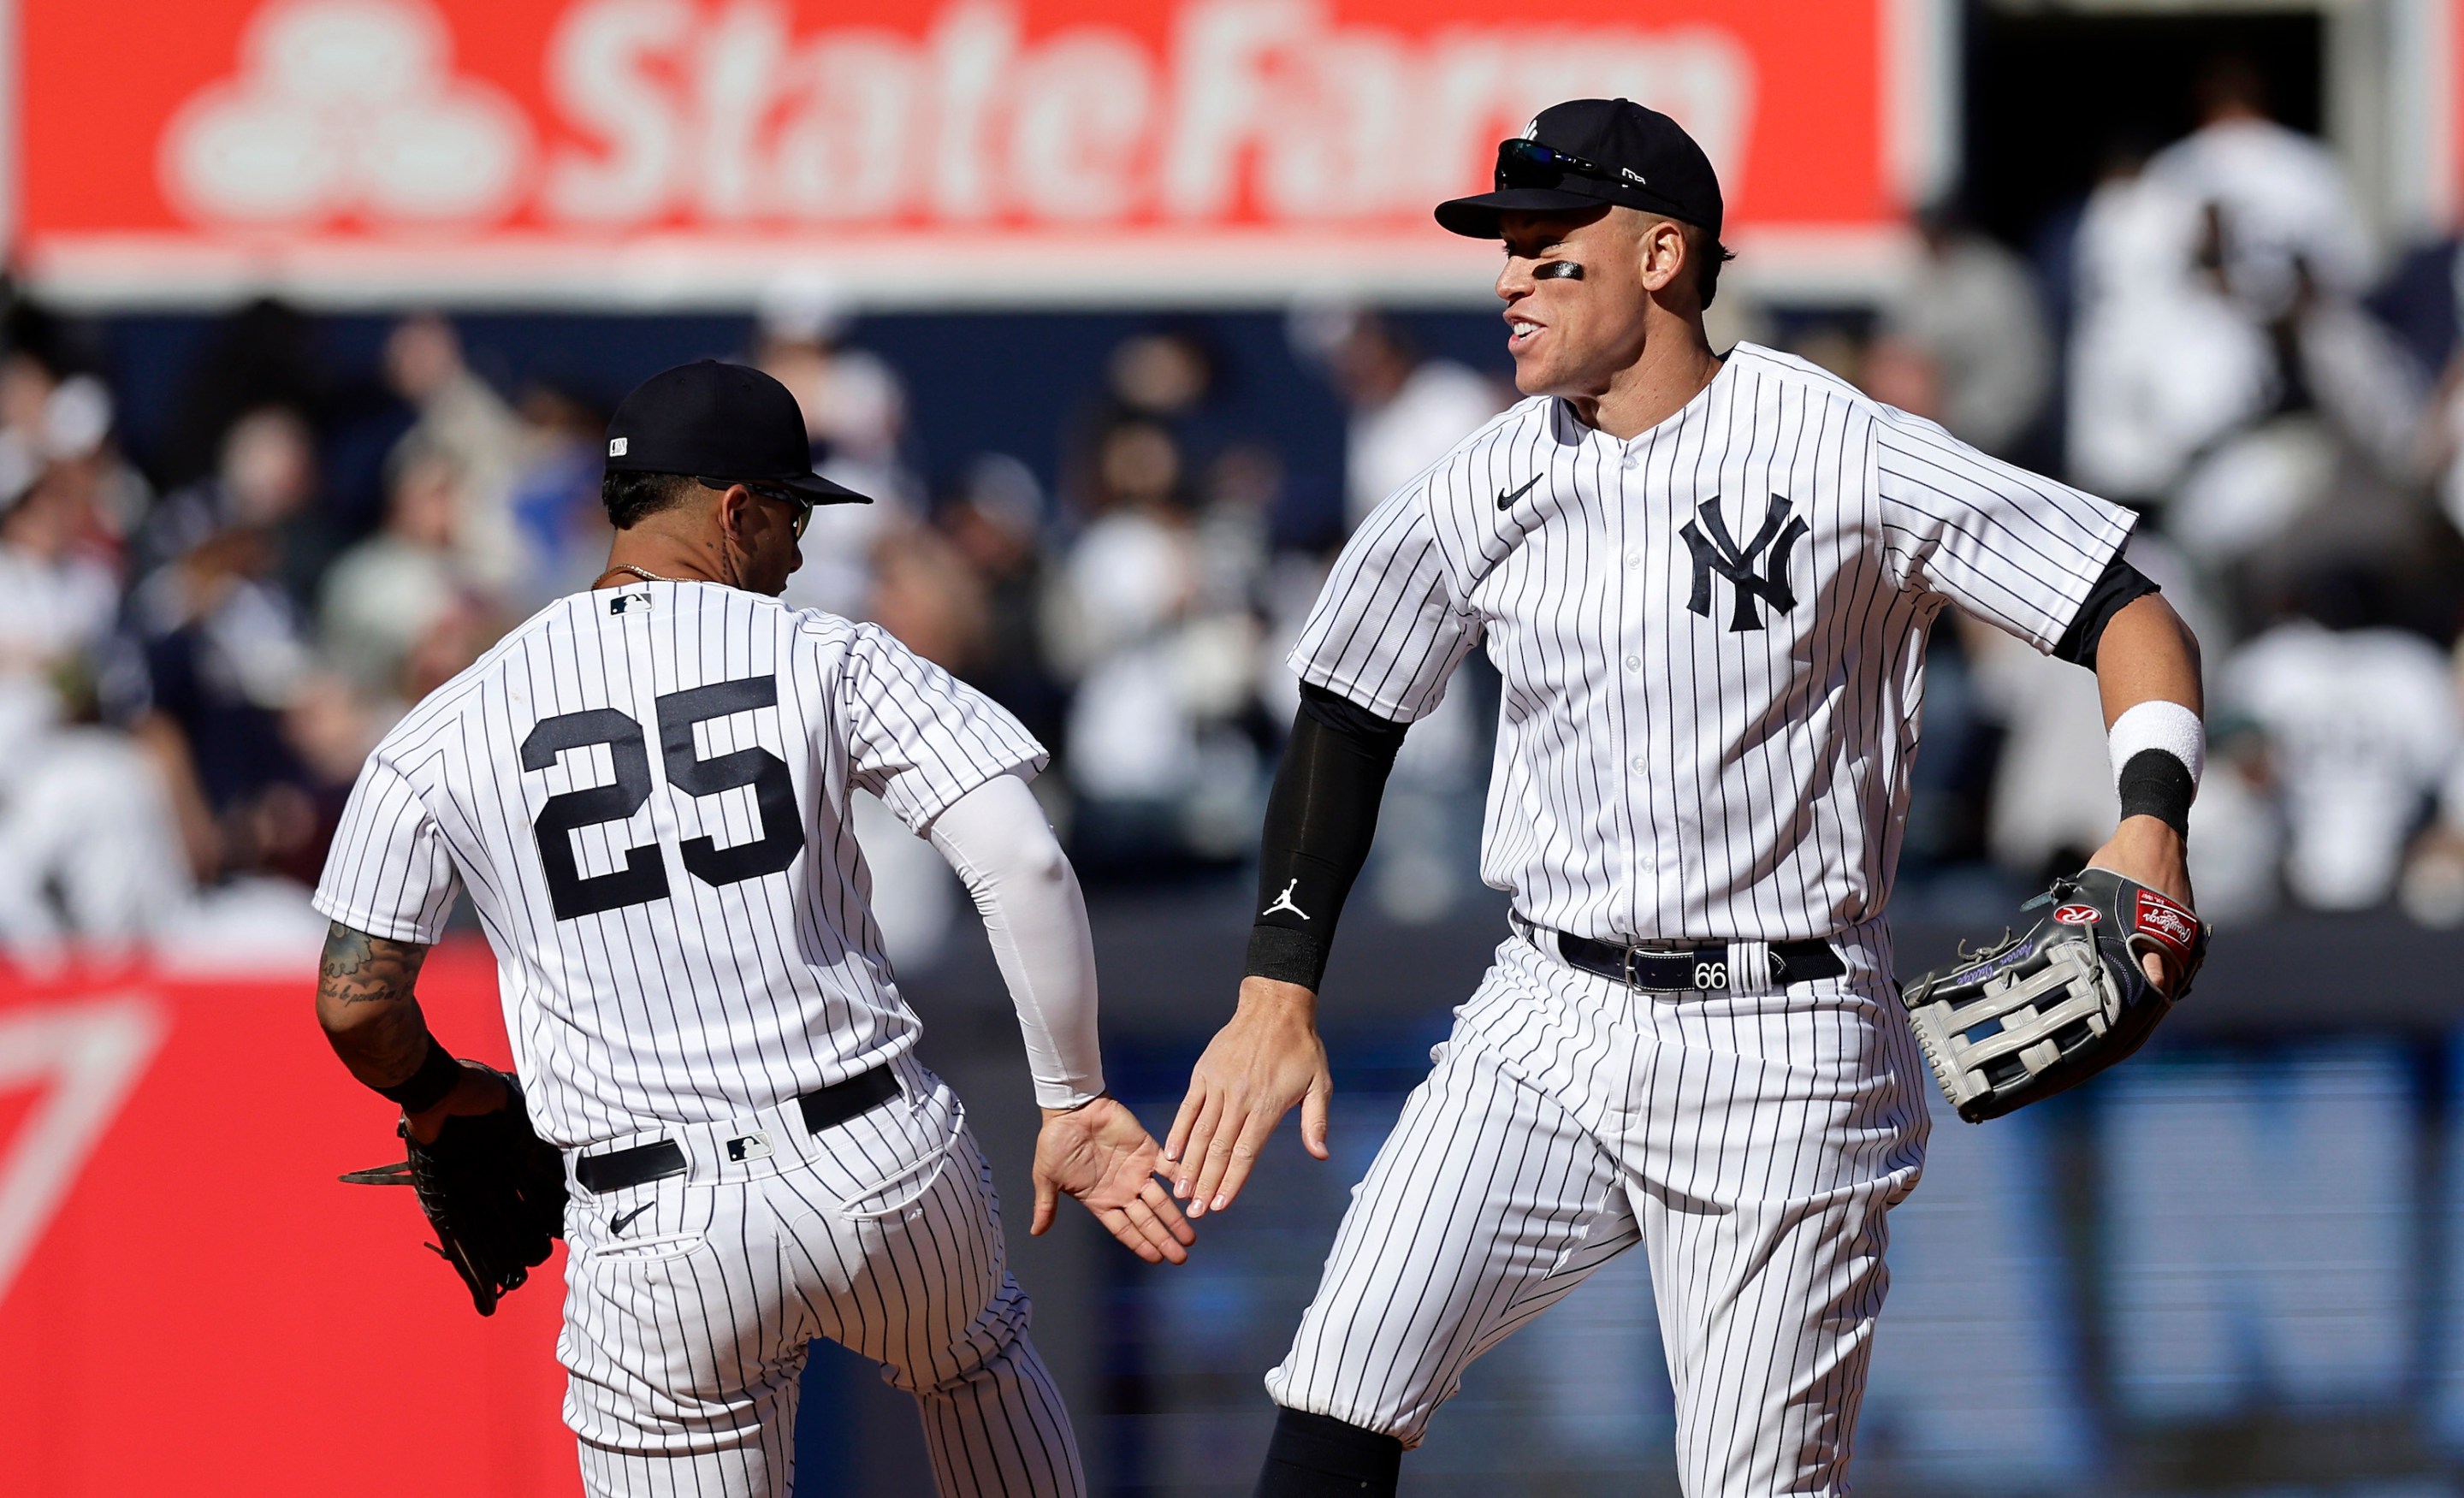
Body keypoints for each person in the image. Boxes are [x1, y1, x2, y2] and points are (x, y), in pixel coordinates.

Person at [1164, 99, 2207, 1496]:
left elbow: (2128, 611)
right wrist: (1276, 985)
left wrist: (2151, 819)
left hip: (1786, 1041)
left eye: (1548, 248)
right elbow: (1348, 709)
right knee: (1336, 1396)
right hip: (1547, 1017)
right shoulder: (1484, 480)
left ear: (1661, 255)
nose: (1508, 280)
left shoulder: (1841, 448)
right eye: (1507, 250)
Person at [309, 360, 1192, 1498]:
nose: (801, 545)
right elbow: (1022, 859)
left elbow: (355, 1001)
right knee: (974, 1365)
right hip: (875, 1159)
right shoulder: (824, 652)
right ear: (734, 510)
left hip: (651, 1214)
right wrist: (1070, 1093)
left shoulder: (446, 726)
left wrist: (437, 1091)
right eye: (792, 510)